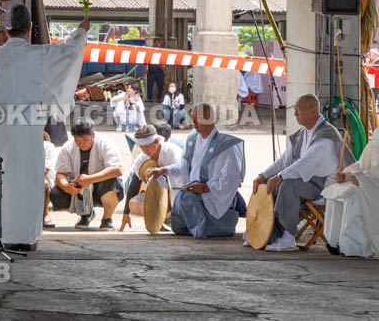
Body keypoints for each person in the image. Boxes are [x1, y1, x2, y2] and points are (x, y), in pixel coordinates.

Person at [0, 5, 89, 249]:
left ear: (5, 31)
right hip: (28, 132)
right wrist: (80, 32)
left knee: (1, 183)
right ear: (29, 30)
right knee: (28, 183)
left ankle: (0, 236)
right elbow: (67, 54)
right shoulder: (39, 56)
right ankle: (25, 237)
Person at [253, 94, 341, 252]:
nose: (295, 114)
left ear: (313, 111)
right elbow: (283, 161)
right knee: (269, 185)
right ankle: (269, 236)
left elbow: (306, 163)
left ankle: (288, 237)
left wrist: (280, 177)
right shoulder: (303, 134)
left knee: (288, 186)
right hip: (307, 183)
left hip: (324, 186)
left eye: (298, 110)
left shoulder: (326, 135)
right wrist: (264, 176)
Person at [148, 102, 245, 239]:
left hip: (213, 198)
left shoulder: (226, 146)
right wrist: (163, 170)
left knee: (187, 198)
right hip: (191, 195)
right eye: (192, 116)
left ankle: (208, 227)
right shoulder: (192, 139)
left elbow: (230, 179)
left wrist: (205, 187)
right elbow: (183, 168)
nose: (193, 121)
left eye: (198, 117)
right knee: (179, 218)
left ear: (210, 119)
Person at [51, 118, 124, 231]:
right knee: (56, 194)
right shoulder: (68, 147)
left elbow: (117, 170)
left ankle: (107, 219)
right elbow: (61, 174)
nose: (82, 143)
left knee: (112, 182)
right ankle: (85, 214)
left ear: (93, 135)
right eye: (78, 141)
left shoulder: (105, 142)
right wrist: (66, 186)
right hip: (80, 189)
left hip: (102, 187)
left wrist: (90, 179)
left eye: (85, 140)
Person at [323, 132, 379, 258]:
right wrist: (346, 175)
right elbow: (361, 163)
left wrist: (361, 178)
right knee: (336, 189)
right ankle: (333, 240)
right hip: (368, 179)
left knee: (352, 193)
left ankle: (352, 246)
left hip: (375, 185)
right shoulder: (377, 134)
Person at [119, 124, 183, 231]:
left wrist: (163, 170)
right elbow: (134, 186)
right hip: (156, 195)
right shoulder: (142, 158)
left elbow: (181, 170)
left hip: (178, 191)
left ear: (157, 141)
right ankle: (161, 219)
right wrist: (126, 214)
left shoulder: (171, 150)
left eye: (148, 147)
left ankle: (174, 215)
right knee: (133, 203)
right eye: (142, 148)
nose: (145, 151)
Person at [43, 132, 58, 229]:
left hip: (41, 178)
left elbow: (44, 170)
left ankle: (44, 214)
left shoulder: (47, 146)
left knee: (44, 183)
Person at [146, 38, 165, 103]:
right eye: (155, 43)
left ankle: (159, 99)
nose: (157, 44)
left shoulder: (162, 51)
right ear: (153, 43)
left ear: (160, 44)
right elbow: (146, 60)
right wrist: (145, 68)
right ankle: (149, 98)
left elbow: (165, 60)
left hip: (160, 70)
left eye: (158, 43)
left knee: (160, 85)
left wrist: (165, 68)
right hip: (151, 70)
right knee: (149, 85)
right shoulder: (150, 51)